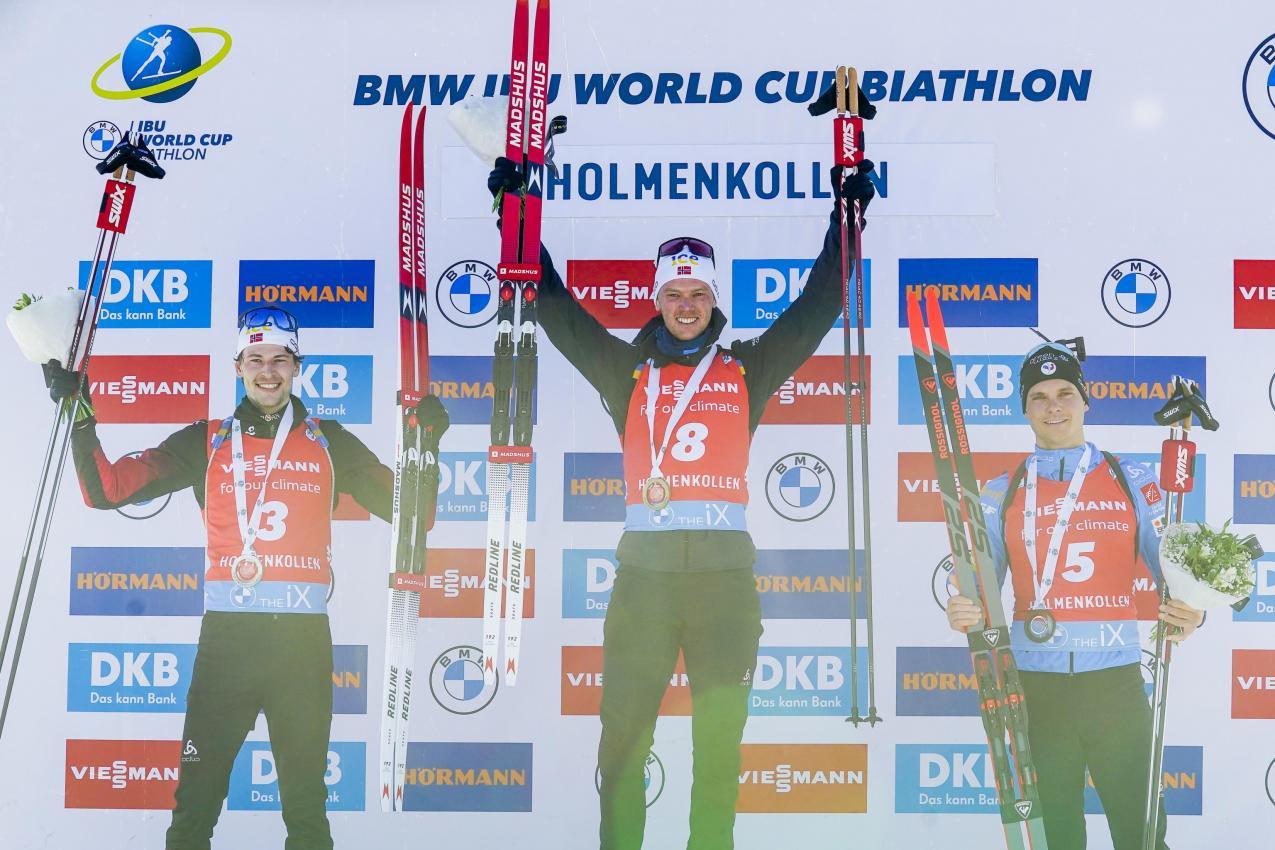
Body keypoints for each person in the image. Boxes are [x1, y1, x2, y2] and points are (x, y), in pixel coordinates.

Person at [488, 137, 876, 848]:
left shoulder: (746, 370)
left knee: (719, 751)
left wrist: (846, 210)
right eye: (675, 293)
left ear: (713, 300)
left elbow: (820, 303)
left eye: (699, 294)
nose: (687, 305)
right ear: (656, 297)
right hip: (644, 586)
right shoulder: (623, 371)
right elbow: (550, 303)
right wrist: (512, 209)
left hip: (726, 589)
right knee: (623, 745)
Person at [46, 306, 447, 850]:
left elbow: (414, 515)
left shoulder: (329, 440)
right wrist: (80, 413)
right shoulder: (205, 439)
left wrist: (429, 445)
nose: (268, 370)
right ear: (238, 366)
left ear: (297, 366)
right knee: (194, 809)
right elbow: (107, 490)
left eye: (280, 359)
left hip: (301, 646)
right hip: (228, 643)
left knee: (306, 812)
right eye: (256, 358)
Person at [945, 342, 1204, 850]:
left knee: (1143, 835)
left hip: (1116, 685)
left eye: (1065, 392)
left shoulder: (1132, 477)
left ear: (1086, 401)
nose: (1054, 406)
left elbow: (1172, 572)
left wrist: (1191, 611)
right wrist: (965, 608)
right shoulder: (1002, 488)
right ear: (1025, 408)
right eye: (1039, 396)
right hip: (1035, 691)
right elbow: (981, 589)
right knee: (1056, 838)